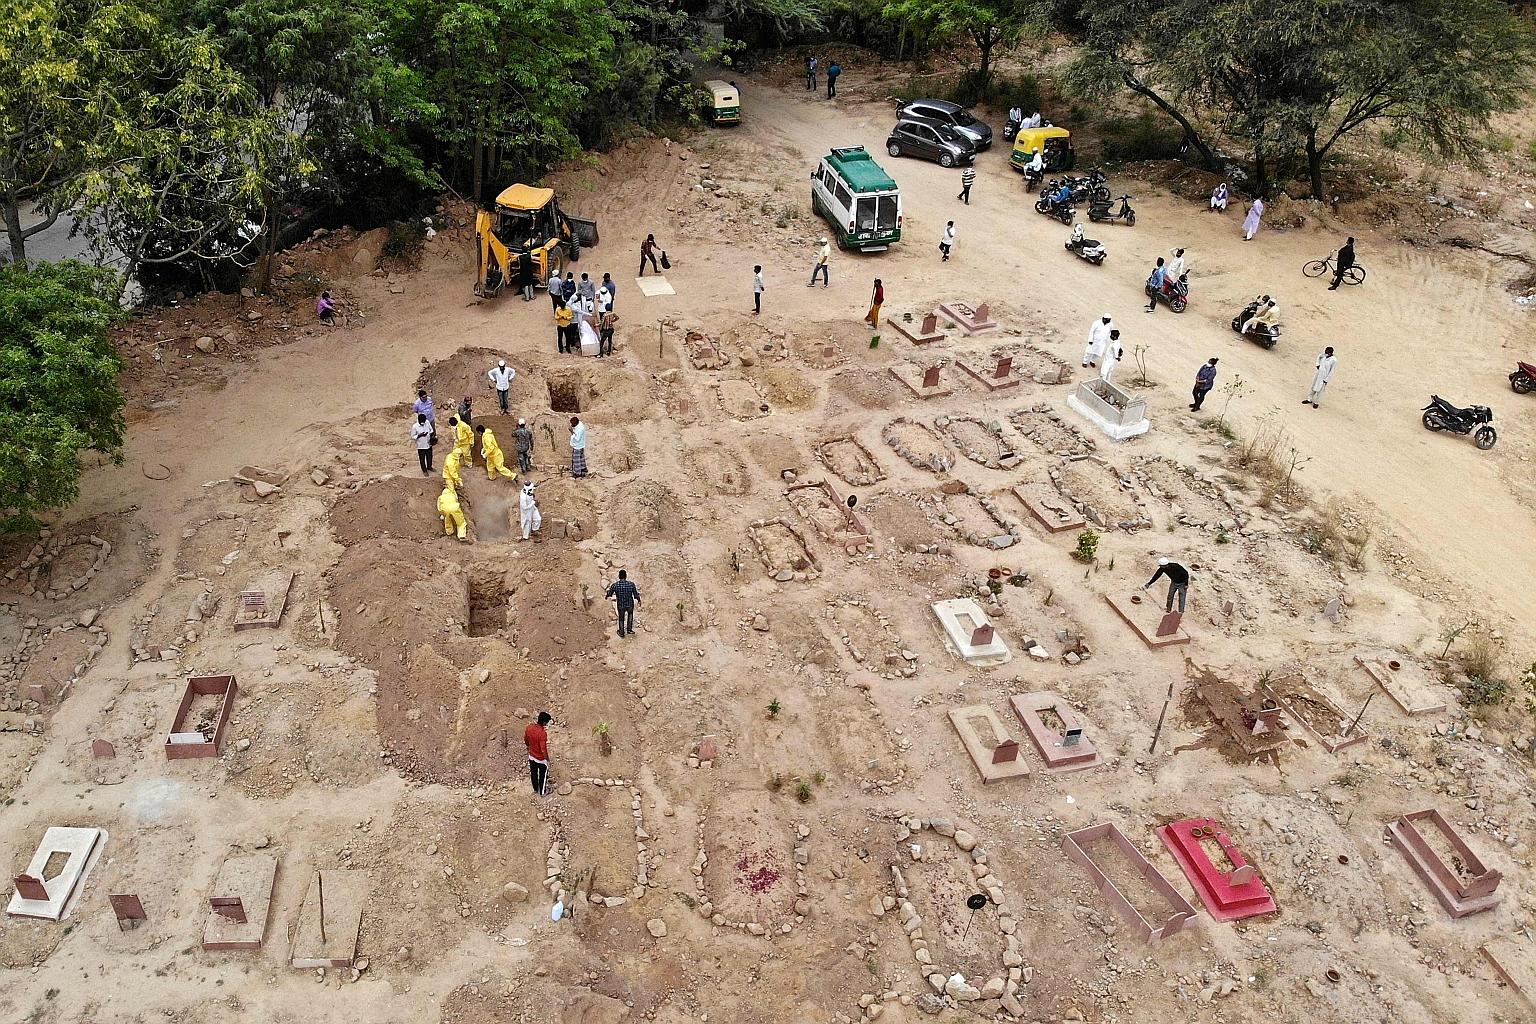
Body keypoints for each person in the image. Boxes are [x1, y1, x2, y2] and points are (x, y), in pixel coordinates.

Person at [605, 569, 641, 639]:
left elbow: (610, 594)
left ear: (619, 576)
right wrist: (639, 600)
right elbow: (636, 594)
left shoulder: (615, 585)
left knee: (621, 618)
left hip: (621, 604)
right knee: (630, 615)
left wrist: (607, 595)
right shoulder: (631, 584)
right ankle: (629, 630)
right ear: (626, 576)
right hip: (630, 604)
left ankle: (621, 632)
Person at [524, 711, 552, 796]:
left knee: (534, 773)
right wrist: (547, 759)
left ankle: (535, 789)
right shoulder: (542, 733)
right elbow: (543, 749)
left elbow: (526, 739)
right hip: (540, 759)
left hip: (531, 756)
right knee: (543, 775)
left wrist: (529, 747)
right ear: (544, 723)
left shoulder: (529, 727)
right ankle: (543, 792)